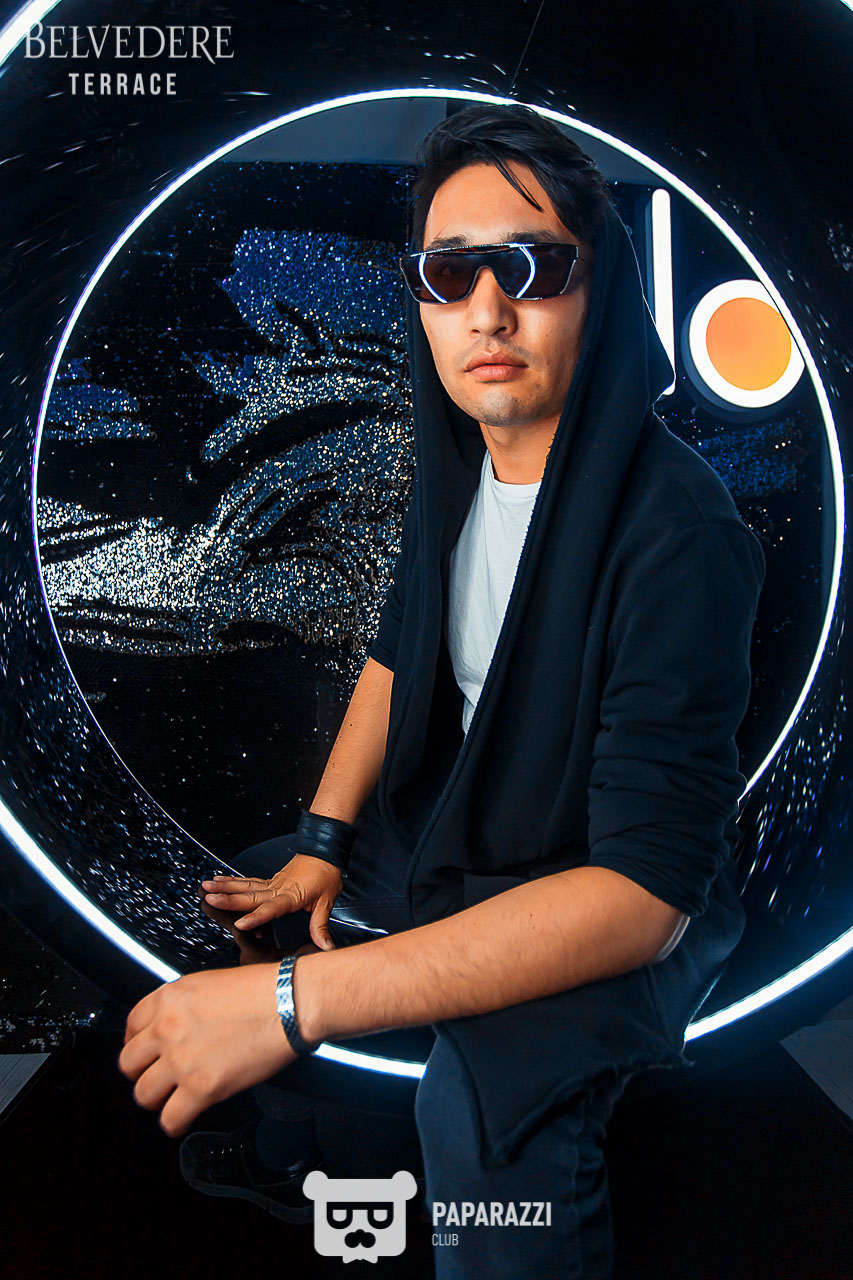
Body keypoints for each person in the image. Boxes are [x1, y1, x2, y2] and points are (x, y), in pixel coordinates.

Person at [119, 105, 764, 1277]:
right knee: (247, 907)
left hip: (599, 881)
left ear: (599, 286)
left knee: (481, 1112)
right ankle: (310, 1169)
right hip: (462, 827)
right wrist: (322, 844)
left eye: (533, 266)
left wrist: (297, 1001)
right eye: (448, 271)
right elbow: (395, 657)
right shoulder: (458, 472)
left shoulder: (681, 532)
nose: (487, 308)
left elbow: (644, 893)